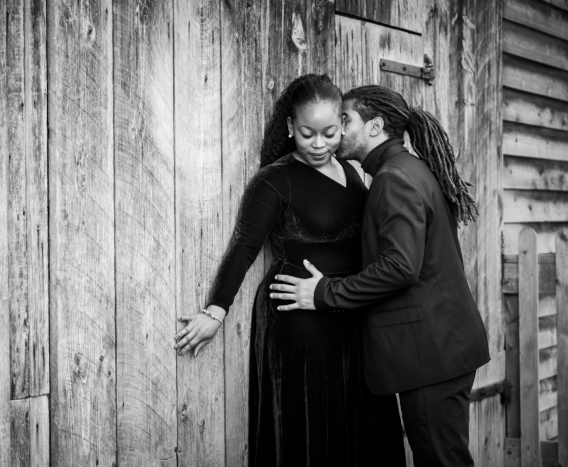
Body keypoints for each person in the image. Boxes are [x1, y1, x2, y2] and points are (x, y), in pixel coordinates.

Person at [173, 75, 406, 466]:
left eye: (330, 133)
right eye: (307, 134)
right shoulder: (275, 180)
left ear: (343, 126)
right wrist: (216, 309)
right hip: (299, 322)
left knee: (364, 432)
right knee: (311, 433)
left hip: (351, 318)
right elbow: (245, 247)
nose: (319, 144)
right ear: (289, 128)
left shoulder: (349, 171)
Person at [269, 84, 490, 467]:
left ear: (375, 126)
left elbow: (400, 267)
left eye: (345, 119)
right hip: (438, 350)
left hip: (430, 355)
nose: (337, 128)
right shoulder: (408, 169)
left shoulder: (393, 179)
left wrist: (324, 293)